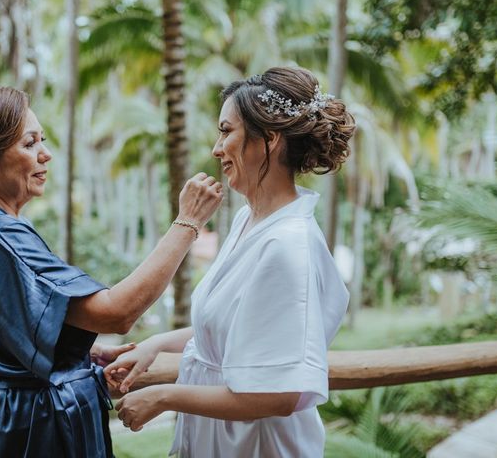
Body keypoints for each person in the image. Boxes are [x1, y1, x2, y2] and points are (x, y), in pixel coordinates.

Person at [0, 84, 223, 458]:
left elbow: (14, 328)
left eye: (43, 140)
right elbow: (117, 312)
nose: (45, 154)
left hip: (24, 419)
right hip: (39, 431)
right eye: (29, 144)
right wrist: (187, 222)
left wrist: (72, 351)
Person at [105, 66, 355, 457]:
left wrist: (163, 397)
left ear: (269, 140)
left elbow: (282, 394)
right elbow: (232, 329)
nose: (216, 148)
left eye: (226, 131)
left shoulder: (288, 246)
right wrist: (155, 345)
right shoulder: (248, 221)